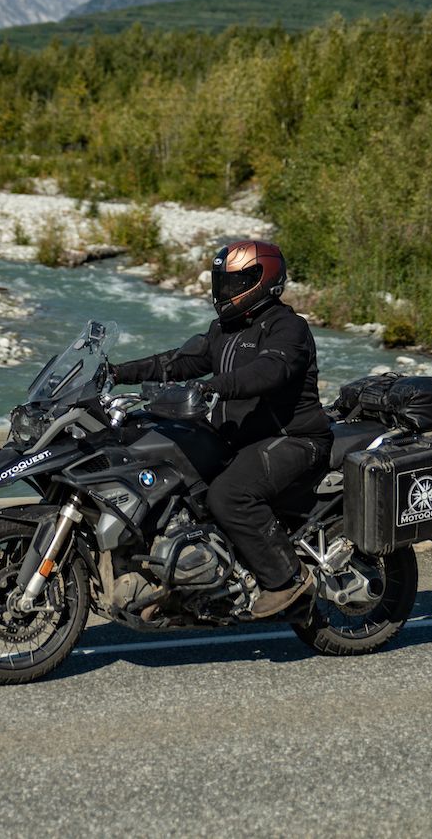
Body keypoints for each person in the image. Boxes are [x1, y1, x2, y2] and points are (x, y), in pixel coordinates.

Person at [109, 239, 330, 619]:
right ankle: (181, 583)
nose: (223, 291)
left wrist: (212, 386)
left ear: (262, 280)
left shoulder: (286, 327)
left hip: (291, 438)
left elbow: (269, 372)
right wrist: (116, 373)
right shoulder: (223, 329)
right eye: (221, 283)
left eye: (232, 283)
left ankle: (286, 580)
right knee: (174, 482)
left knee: (229, 495)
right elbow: (177, 362)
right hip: (238, 439)